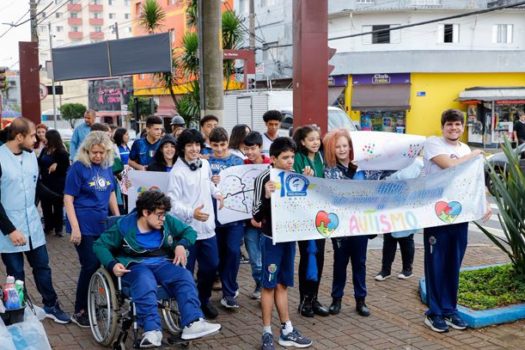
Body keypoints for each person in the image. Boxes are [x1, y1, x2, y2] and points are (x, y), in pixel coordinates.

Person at [93, 190, 221, 347]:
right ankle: (152, 330)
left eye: (164, 214)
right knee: (145, 280)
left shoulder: (167, 221)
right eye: (159, 214)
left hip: (162, 263)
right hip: (136, 264)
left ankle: (192, 322)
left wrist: (181, 244)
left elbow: (189, 231)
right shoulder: (124, 226)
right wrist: (112, 265)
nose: (163, 218)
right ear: (146, 212)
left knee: (184, 276)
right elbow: (100, 245)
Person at [422, 109, 491, 333]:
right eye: (449, 125)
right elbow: (450, 166)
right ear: (443, 127)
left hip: (459, 214)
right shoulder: (433, 144)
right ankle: (434, 313)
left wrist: (484, 203)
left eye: (457, 125)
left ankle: (449, 309)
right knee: (436, 263)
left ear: (463, 127)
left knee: (453, 262)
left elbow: (473, 180)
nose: (454, 128)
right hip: (436, 213)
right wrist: (477, 153)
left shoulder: (464, 149)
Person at [0, 118, 70, 324]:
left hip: (32, 224)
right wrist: (11, 230)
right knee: (16, 273)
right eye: (32, 136)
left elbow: (36, 187)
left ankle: (51, 304)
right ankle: (19, 311)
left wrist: (60, 198)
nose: (37, 139)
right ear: (19, 136)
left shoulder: (32, 157)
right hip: (8, 228)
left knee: (42, 267)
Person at [253, 137, 313, 350]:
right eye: (285, 158)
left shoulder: (294, 176)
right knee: (268, 285)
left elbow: (304, 206)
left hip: (290, 237)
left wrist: (309, 184)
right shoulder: (263, 178)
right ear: (274, 158)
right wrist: (267, 196)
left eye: (292, 157)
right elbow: (256, 216)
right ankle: (267, 332)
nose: (290, 161)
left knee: (283, 284)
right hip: (271, 240)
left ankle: (286, 329)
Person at [64, 131, 120, 327]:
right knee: (90, 265)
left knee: (104, 263)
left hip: (102, 224)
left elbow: (111, 192)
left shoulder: (107, 167)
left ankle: (94, 302)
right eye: (94, 152)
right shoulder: (78, 168)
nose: (98, 156)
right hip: (83, 224)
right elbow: (68, 199)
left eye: (102, 152)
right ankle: (80, 310)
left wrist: (118, 218)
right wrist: (75, 228)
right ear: (86, 151)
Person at [166, 129, 224, 320]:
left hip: (208, 230)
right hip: (187, 231)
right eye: (190, 145)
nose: (194, 149)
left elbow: (208, 185)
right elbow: (171, 203)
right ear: (182, 148)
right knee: (186, 272)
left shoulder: (205, 164)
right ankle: (188, 308)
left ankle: (203, 299)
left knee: (211, 266)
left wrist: (217, 193)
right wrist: (192, 213)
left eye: (197, 145)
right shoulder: (177, 172)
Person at [322, 128, 371, 318]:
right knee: (340, 263)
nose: (342, 149)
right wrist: (351, 171)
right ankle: (336, 299)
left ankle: (361, 300)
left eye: (345, 145)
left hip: (360, 223)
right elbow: (338, 191)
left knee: (360, 263)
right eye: (338, 146)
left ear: (350, 147)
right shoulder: (330, 170)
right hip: (340, 225)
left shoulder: (365, 167)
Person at [292, 125, 329, 318]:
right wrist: (304, 179)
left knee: (320, 256)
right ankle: (304, 301)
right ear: (302, 142)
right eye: (311, 139)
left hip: (321, 215)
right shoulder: (298, 159)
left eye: (317, 138)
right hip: (304, 215)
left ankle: (314, 298)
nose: (316, 142)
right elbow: (295, 185)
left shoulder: (322, 157)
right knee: (307, 256)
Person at [207, 127, 244, 309]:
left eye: (222, 145)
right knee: (218, 254)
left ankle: (229, 292)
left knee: (233, 251)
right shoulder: (205, 160)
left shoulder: (238, 160)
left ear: (228, 142)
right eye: (215, 145)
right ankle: (227, 286)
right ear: (210, 144)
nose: (220, 149)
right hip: (212, 216)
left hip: (234, 216)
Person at [375, 159, 423, 282]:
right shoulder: (388, 164)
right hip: (389, 207)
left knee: (406, 239)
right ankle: (385, 270)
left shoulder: (416, 164)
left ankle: (407, 269)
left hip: (407, 208)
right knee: (388, 238)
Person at [243, 131, 271, 300]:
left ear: (260, 148)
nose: (250, 152)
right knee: (254, 257)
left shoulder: (270, 166)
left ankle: (267, 284)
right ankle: (259, 284)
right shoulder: (241, 166)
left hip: (267, 221)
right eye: (246, 149)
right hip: (249, 221)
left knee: (268, 255)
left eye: (253, 148)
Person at [38, 129, 70, 237]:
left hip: (57, 183)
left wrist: (57, 165)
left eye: (46, 137)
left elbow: (65, 168)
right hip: (45, 182)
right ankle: (48, 227)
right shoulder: (45, 150)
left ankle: (58, 228)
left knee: (57, 207)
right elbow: (40, 162)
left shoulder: (61, 152)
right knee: (45, 206)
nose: (44, 139)